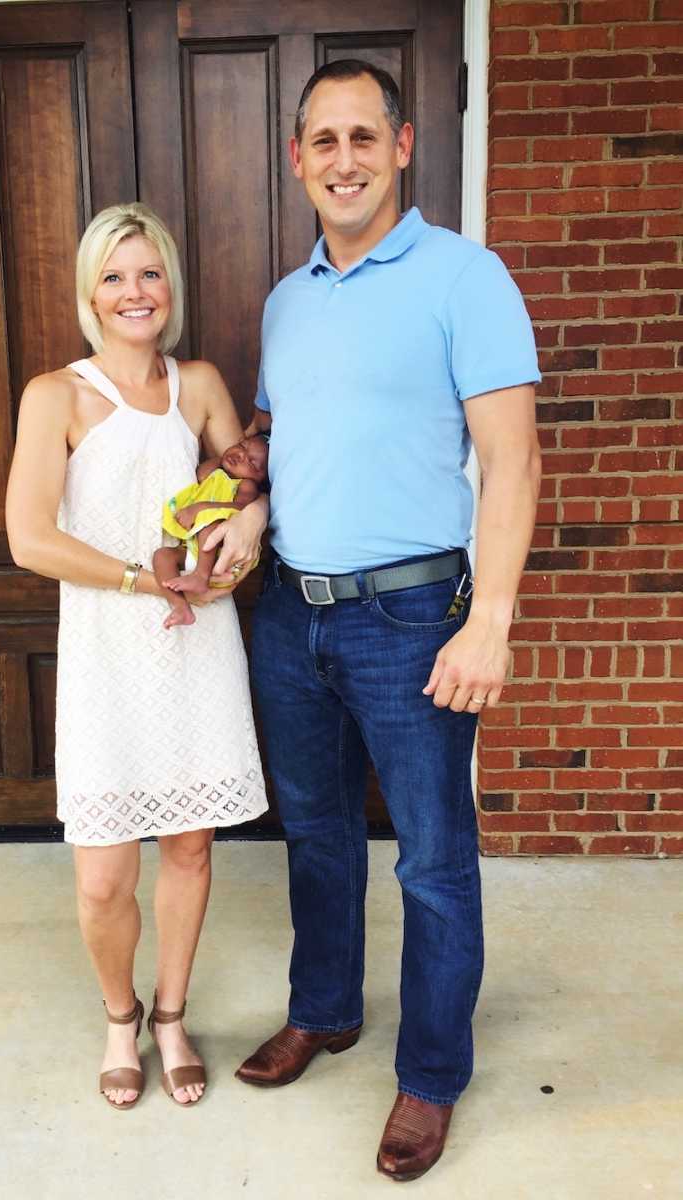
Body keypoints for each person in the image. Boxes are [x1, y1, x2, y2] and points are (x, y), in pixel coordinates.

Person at [234, 60, 542, 1181]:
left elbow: (512, 460)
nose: (345, 159)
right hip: (292, 615)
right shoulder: (287, 298)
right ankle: (325, 1010)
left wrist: (490, 620)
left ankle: (430, 1074)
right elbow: (280, 434)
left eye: (365, 137)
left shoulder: (467, 276)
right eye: (325, 141)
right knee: (314, 840)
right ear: (299, 159)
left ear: (403, 148)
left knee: (430, 861)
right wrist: (242, 501)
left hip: (416, 616)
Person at [5, 202, 268, 1111]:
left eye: (149, 273)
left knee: (190, 846)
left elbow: (244, 484)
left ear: (171, 288)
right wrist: (139, 581)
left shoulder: (197, 384)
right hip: (110, 656)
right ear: (89, 291)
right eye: (115, 275)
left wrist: (247, 536)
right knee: (106, 871)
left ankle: (170, 1014)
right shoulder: (58, 395)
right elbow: (29, 539)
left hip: (195, 650)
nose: (134, 291)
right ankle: (119, 1016)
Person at [154, 433, 269, 627]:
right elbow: (201, 474)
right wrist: (226, 457)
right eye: (241, 446)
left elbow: (240, 508)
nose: (241, 455)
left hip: (218, 555)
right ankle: (180, 606)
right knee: (162, 556)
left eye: (251, 461)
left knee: (211, 525)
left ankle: (200, 576)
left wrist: (201, 508)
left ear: (259, 476)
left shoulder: (246, 485)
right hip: (195, 551)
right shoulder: (218, 473)